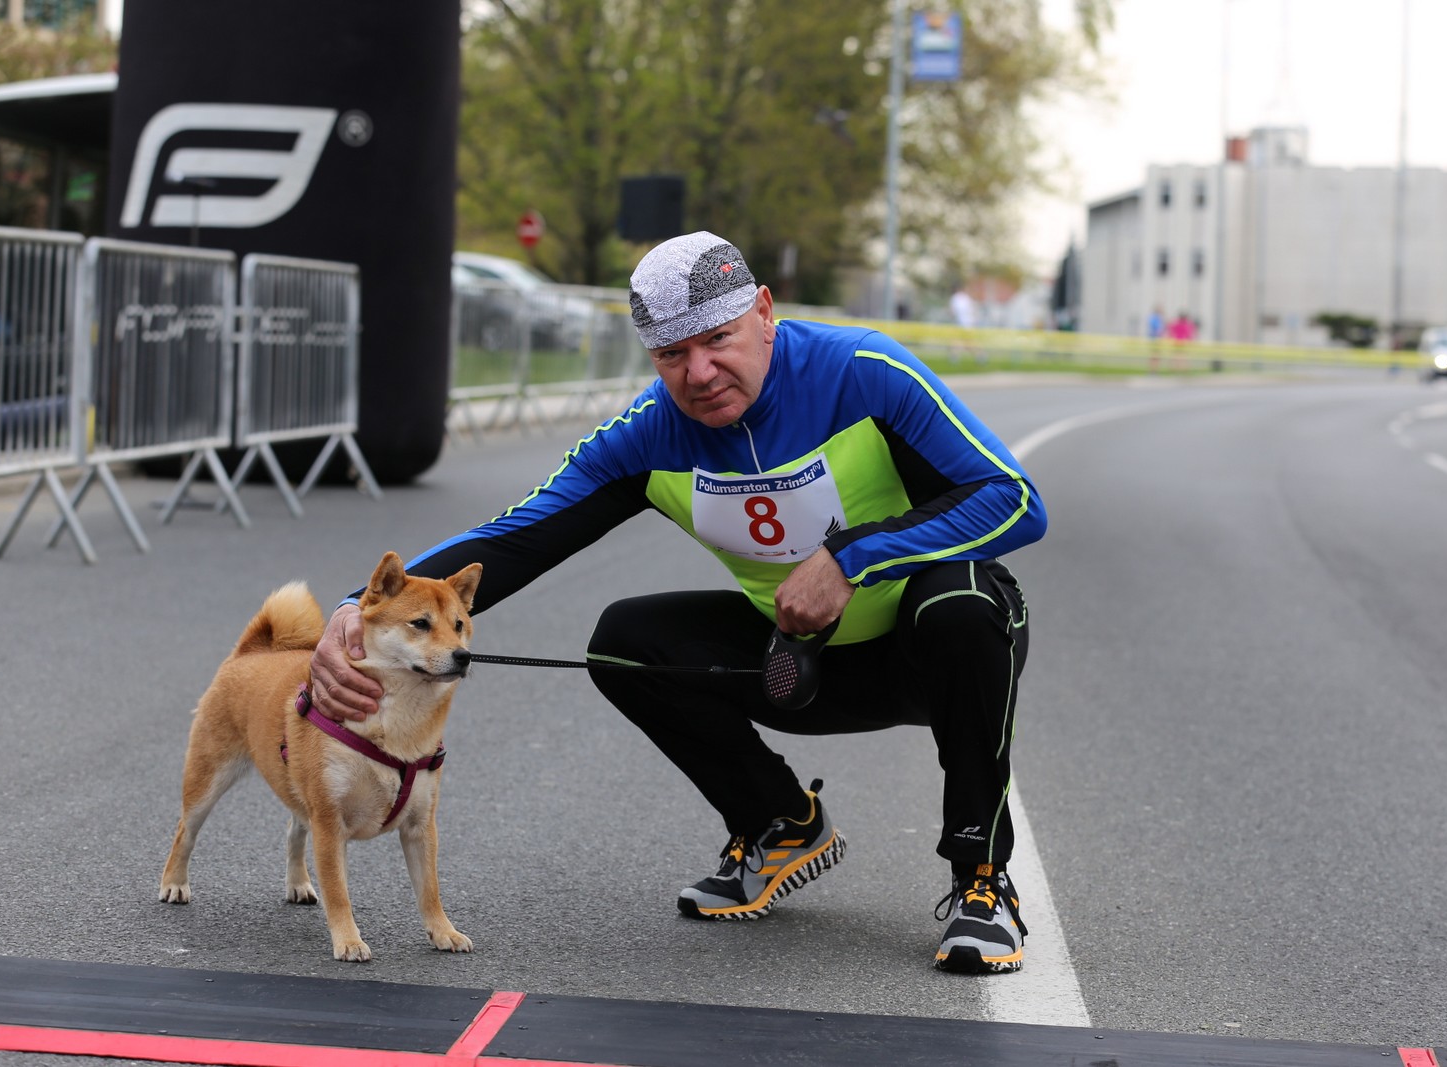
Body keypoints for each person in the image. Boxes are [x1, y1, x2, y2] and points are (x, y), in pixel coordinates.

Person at [308, 232, 1048, 974]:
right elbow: (516, 537)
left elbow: (1015, 499)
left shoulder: (863, 371)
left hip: (935, 656)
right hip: (793, 664)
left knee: (962, 601)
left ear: (764, 312)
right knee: (626, 641)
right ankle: (780, 824)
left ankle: (982, 878)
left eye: (718, 339)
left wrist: (852, 556)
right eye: (671, 355)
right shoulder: (649, 433)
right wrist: (352, 610)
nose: (699, 373)